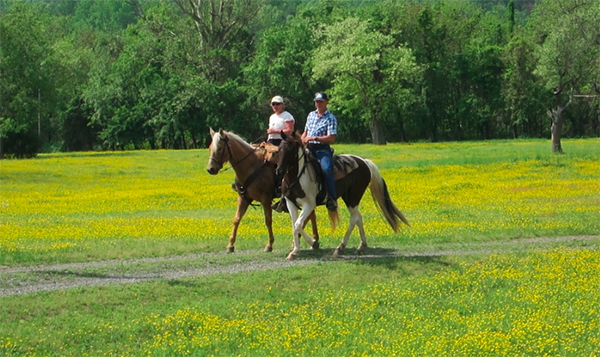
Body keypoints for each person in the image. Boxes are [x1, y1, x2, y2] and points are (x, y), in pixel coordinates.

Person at [302, 92, 338, 211]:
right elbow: (305, 132)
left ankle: (332, 198)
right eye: (317, 101)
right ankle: (285, 196)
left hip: (322, 150)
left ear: (326, 102)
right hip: (308, 148)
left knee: (326, 169)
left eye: (321, 101)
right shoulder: (311, 115)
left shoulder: (330, 118)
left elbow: (332, 138)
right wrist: (301, 140)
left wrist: (315, 138)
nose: (318, 104)